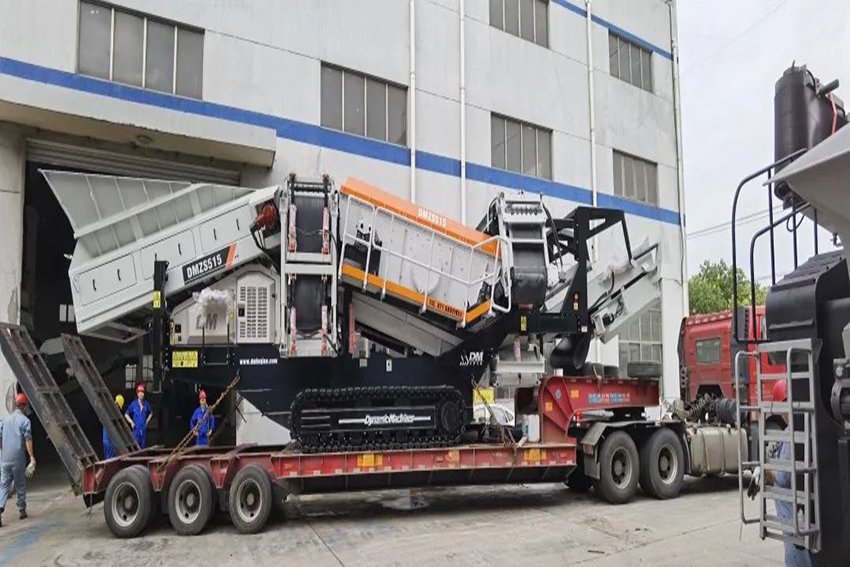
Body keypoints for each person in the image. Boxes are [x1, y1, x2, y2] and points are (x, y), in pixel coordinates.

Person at [749, 379, 812, 567]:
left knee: (795, 557)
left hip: (791, 517)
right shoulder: (806, 425)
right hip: (803, 513)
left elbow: (784, 478)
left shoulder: (790, 433)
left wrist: (765, 470)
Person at [0, 393, 36, 527]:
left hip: (5, 459)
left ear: (16, 405)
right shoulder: (25, 421)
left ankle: (0, 507)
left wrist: (4, 451)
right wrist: (31, 457)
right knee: (20, 483)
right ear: (25, 406)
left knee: (3, 485)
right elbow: (28, 439)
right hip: (17, 458)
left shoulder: (5, 421)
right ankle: (22, 510)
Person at [125, 383, 152, 449]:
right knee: (136, 448)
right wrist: (131, 422)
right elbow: (126, 414)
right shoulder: (133, 404)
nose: (141, 394)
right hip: (136, 430)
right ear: (137, 394)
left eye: (142, 392)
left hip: (143, 430)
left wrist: (147, 421)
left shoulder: (146, 404)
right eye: (140, 392)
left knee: (143, 447)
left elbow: (151, 413)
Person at [103, 394, 125, 459]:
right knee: (108, 446)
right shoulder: (110, 410)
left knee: (108, 447)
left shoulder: (111, 410)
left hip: (108, 436)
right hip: (108, 435)